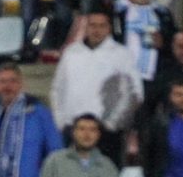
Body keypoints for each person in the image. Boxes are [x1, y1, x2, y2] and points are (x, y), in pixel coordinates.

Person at [51, 11, 143, 160]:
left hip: (107, 132)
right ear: (86, 27)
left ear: (109, 28)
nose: (97, 30)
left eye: (102, 26)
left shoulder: (122, 54)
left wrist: (112, 124)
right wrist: (60, 121)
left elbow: (135, 93)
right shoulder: (71, 53)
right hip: (72, 129)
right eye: (92, 25)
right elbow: (58, 89)